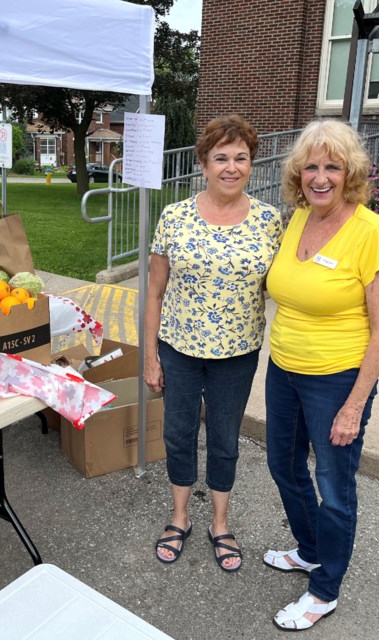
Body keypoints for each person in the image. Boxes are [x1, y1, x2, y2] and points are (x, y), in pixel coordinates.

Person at [262, 119, 379, 630]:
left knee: (334, 485)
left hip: (338, 379)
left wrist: (354, 405)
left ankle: (325, 589)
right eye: (311, 167)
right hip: (284, 370)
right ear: (299, 174)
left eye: (332, 167)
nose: (321, 177)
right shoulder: (297, 217)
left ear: (350, 173)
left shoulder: (370, 230)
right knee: (284, 466)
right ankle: (311, 549)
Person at [146, 115, 284, 572]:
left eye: (240, 157)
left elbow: (284, 286)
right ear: (203, 163)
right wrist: (149, 355)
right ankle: (180, 516)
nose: (231, 166)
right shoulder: (175, 217)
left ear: (251, 163)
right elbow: (154, 292)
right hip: (179, 350)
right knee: (178, 434)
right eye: (220, 157)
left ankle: (220, 523)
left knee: (225, 439)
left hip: (237, 355)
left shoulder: (269, 221)